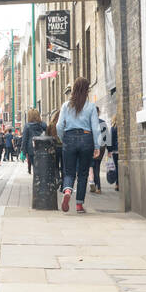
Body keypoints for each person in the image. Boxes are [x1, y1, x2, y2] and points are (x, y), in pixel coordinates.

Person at [57, 76, 102, 213]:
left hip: (69, 138)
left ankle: (68, 190)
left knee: (69, 172)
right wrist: (97, 146)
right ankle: (79, 205)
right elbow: (96, 128)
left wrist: (63, 138)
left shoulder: (66, 106)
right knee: (83, 173)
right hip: (86, 138)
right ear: (87, 90)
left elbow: (59, 125)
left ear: (74, 89)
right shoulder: (91, 107)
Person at [20, 108, 46, 174]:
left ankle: (37, 181)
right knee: (41, 167)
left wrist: (23, 152)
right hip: (42, 148)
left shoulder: (27, 126)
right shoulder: (43, 125)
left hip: (31, 150)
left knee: (35, 167)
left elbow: (24, 140)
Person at [90, 108, 109, 195]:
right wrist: (110, 149)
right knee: (96, 166)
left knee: (95, 167)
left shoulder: (89, 123)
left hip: (93, 147)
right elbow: (107, 138)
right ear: (98, 113)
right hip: (101, 147)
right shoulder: (102, 122)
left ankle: (97, 187)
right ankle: (96, 186)